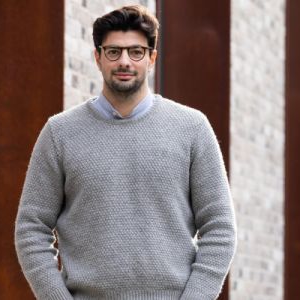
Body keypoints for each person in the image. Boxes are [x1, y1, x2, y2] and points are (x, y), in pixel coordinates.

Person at [14, 5, 236, 300]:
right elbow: (31, 228)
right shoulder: (60, 133)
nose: (125, 62)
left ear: (152, 58)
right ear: (97, 57)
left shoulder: (193, 128)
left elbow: (220, 228)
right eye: (113, 52)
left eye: (136, 52)